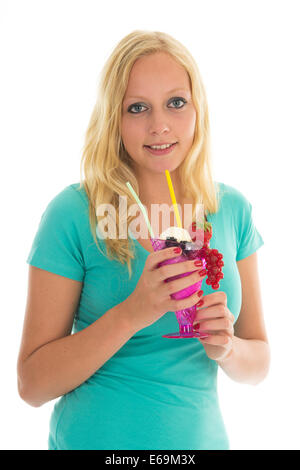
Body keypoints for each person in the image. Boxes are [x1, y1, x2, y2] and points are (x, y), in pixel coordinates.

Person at [17, 30, 270, 450]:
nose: (159, 126)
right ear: (113, 119)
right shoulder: (74, 213)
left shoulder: (231, 209)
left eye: (176, 102)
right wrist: (134, 312)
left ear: (198, 107)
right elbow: (32, 384)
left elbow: (258, 363)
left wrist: (227, 348)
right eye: (137, 108)